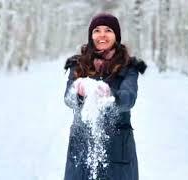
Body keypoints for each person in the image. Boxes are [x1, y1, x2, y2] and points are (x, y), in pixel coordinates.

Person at [63, 13, 147, 180]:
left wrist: (111, 96)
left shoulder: (129, 66)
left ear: (116, 36)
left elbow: (128, 98)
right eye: (97, 30)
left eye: (108, 30)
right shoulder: (78, 64)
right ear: (91, 36)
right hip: (82, 145)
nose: (102, 35)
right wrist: (78, 93)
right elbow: (68, 98)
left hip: (117, 147)